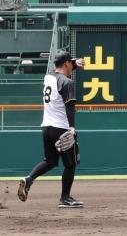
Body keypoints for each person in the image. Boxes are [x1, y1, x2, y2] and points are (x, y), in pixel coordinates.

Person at [18, 50, 86, 208]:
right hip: (60, 128)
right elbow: (70, 107)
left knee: (50, 161)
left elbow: (61, 71)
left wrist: (74, 63)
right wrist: (71, 128)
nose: (71, 67)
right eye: (70, 63)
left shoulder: (48, 77)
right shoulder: (67, 83)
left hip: (46, 128)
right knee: (70, 164)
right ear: (66, 64)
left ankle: (29, 179)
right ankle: (65, 198)